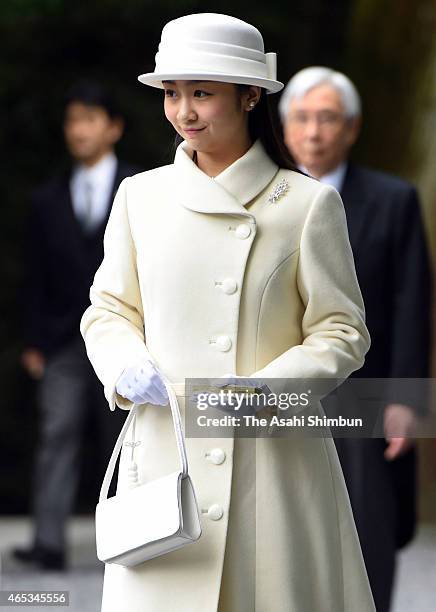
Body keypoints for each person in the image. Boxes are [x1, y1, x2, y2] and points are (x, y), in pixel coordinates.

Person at [80, 14, 376, 611]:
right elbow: (107, 309)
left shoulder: (309, 204)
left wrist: (264, 391)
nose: (184, 112)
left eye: (202, 93)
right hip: (166, 454)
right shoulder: (141, 196)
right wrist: (125, 366)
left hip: (274, 461)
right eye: (172, 93)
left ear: (249, 95)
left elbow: (342, 331)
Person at [279, 66, 432, 612]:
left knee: (367, 529)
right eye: (302, 118)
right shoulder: (263, 196)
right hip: (277, 390)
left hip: (364, 392)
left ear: (352, 127)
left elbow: (412, 305)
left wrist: (407, 400)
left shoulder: (393, 200)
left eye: (327, 118)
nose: (314, 131)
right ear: (284, 125)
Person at [13, 81, 140, 570]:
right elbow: (34, 274)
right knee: (56, 433)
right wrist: (32, 341)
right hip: (64, 340)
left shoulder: (140, 189)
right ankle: (48, 542)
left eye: (89, 118)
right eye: (72, 120)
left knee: (126, 438)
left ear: (114, 127)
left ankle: (132, 538)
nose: (79, 129)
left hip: (126, 336)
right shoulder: (46, 199)